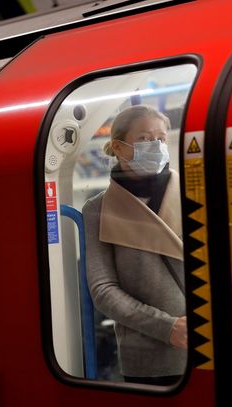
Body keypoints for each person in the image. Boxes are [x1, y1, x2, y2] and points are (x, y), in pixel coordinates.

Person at [82, 104, 187, 386]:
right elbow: (104, 290)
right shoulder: (98, 209)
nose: (155, 145)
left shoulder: (194, 192)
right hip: (148, 358)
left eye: (161, 138)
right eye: (143, 139)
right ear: (118, 147)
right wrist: (167, 327)